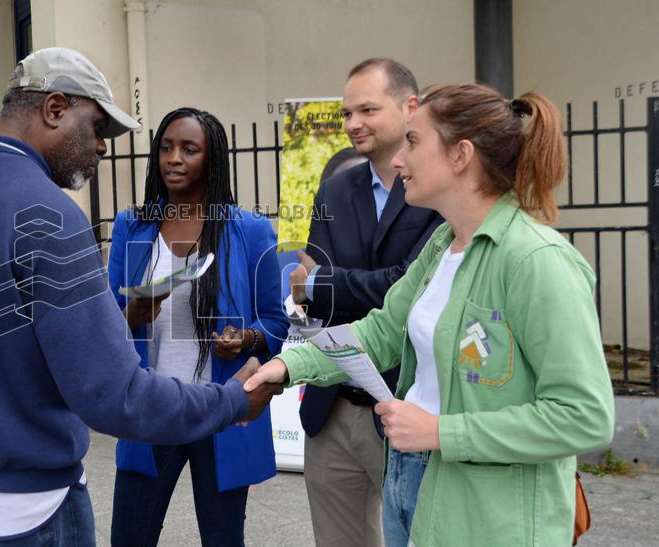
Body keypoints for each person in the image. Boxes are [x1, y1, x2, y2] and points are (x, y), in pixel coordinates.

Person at [0, 48, 281, 546]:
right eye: (99, 129)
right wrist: (236, 398)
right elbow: (112, 392)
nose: (104, 148)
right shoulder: (49, 213)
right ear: (56, 108)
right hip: (18, 510)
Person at [245, 83, 616, 546]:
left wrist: (442, 432)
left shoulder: (536, 261)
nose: (398, 161)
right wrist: (287, 366)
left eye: (414, 142)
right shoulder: (443, 245)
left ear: (461, 155)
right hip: (414, 479)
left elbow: (584, 416)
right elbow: (381, 331)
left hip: (490, 517)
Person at [107, 107, 289, 546]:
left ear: (212, 159)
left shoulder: (249, 230)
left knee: (223, 539)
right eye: (166, 148)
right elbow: (103, 318)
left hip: (219, 408)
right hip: (151, 407)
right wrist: (132, 315)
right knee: (129, 537)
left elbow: (276, 321)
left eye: (189, 149)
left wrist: (247, 338)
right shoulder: (132, 226)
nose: (173, 158)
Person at [288, 59, 442, 546]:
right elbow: (311, 298)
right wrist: (331, 287)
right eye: (347, 112)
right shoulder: (336, 187)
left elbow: (409, 290)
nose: (353, 123)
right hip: (331, 407)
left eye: (368, 109)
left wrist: (325, 283)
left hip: (406, 406)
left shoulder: (437, 186)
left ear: (409, 106)